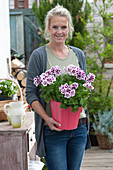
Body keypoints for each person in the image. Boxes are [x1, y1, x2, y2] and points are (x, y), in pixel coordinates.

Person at [26, 4, 91, 170]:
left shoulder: (78, 54)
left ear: (69, 28)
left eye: (63, 27)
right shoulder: (39, 55)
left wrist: (80, 99)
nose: (59, 31)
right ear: (48, 28)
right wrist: (47, 119)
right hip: (53, 129)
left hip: (79, 128)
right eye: (55, 27)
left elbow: (85, 88)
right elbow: (31, 94)